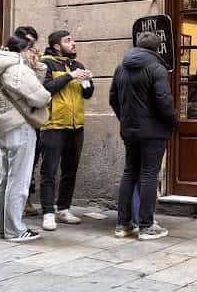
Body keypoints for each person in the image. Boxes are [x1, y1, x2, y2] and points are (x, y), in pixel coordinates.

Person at [109, 31, 178, 240]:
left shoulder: (121, 67)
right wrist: (174, 121)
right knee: (149, 174)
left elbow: (113, 98)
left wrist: (125, 119)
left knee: (130, 172)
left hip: (129, 129)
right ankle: (147, 225)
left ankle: (123, 224)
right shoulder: (157, 68)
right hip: (153, 131)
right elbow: (164, 100)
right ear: (157, 49)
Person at [0, 35, 51, 243]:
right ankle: (16, 230)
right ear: (24, 50)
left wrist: (37, 65)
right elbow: (40, 96)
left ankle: (3, 228)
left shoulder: (1, 65)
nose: (35, 53)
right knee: (19, 180)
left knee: (6, 179)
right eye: (32, 50)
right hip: (19, 125)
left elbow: (31, 85)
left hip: (3, 126)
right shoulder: (17, 68)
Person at [39, 30, 94, 231]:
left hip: (75, 125)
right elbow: (46, 89)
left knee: (70, 170)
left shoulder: (78, 65)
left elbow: (87, 94)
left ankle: (63, 208)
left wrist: (86, 80)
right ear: (56, 46)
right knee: (49, 171)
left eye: (72, 40)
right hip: (53, 125)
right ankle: (47, 212)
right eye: (68, 41)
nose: (73, 44)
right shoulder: (45, 64)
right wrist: (70, 76)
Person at [14, 25, 43, 217]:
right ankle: (15, 208)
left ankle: (26, 200)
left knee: (30, 162)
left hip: (32, 117)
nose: (33, 47)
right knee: (16, 165)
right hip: (15, 119)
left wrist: (37, 66)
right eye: (29, 43)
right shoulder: (11, 63)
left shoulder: (33, 62)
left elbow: (38, 88)